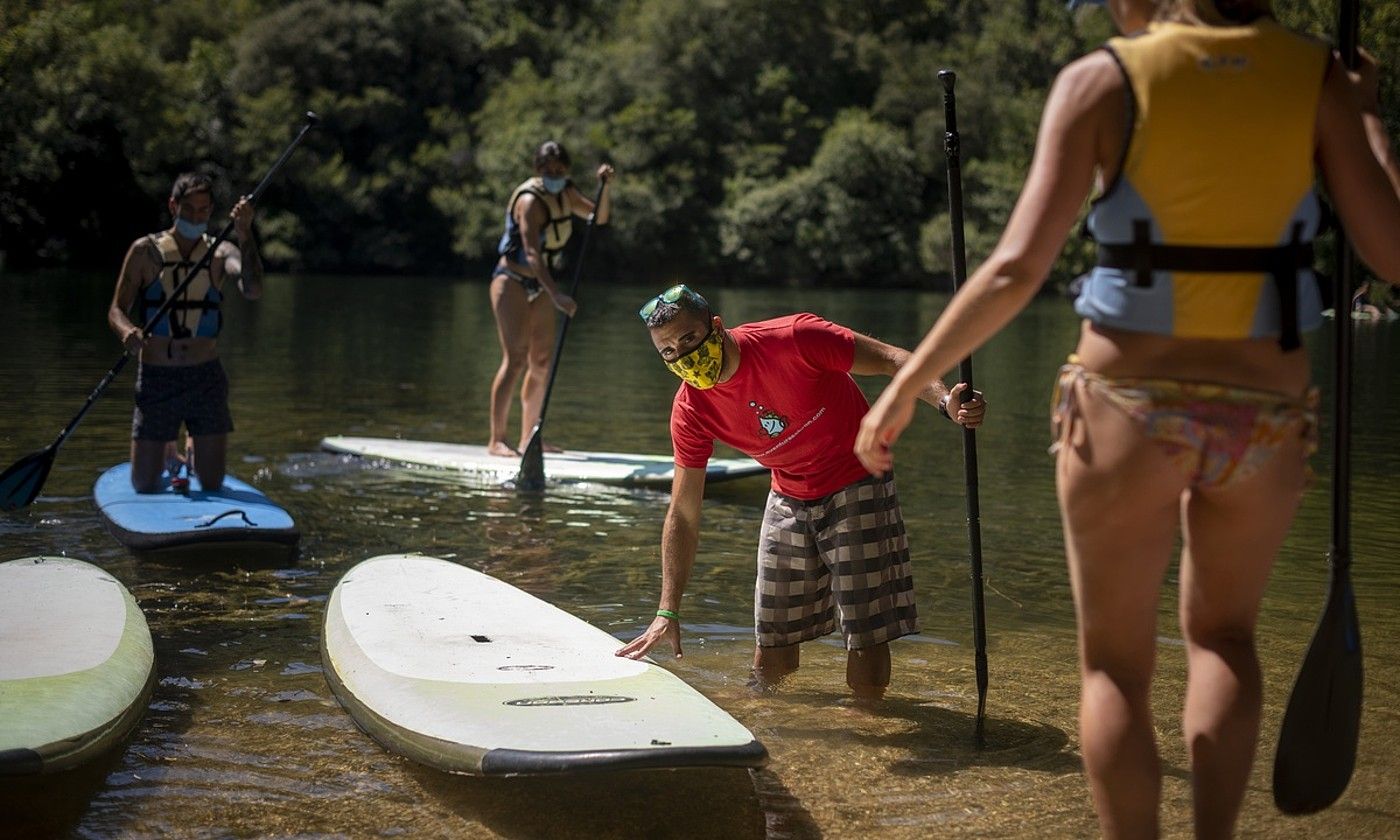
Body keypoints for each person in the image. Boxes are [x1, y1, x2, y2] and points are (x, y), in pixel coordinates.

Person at [853, 1, 1400, 836]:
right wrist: (1366, 118)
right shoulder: (1317, 73)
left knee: (1114, 667)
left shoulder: (1101, 79)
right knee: (1224, 639)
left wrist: (902, 388)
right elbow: (1392, 252)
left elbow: (1013, 271)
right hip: (1265, 412)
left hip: (1125, 407)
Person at [616, 285, 986, 700]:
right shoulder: (690, 409)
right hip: (787, 492)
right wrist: (668, 610)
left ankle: (867, 726)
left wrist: (945, 404)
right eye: (668, 351)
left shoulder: (794, 338)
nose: (683, 356)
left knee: (865, 632)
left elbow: (891, 359)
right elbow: (683, 512)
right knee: (772, 641)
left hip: (856, 478)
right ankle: (768, 719)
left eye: (689, 339)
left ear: (715, 327)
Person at [108, 172, 263, 493]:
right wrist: (127, 332)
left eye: (203, 210)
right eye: (189, 208)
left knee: (211, 482)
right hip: (157, 375)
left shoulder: (222, 252)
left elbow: (252, 290)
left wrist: (245, 234)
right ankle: (167, 447)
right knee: (144, 484)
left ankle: (191, 446)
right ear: (173, 205)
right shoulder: (144, 251)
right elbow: (116, 310)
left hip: (204, 376)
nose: (196, 216)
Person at [488, 141, 614, 457]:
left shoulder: (567, 193)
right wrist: (556, 293)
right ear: (538, 170)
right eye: (548, 170)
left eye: (560, 170)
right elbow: (531, 252)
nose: (554, 174)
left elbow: (598, 216)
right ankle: (497, 440)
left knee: (541, 362)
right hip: (511, 280)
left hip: (541, 284)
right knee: (515, 358)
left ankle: (530, 438)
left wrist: (604, 187)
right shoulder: (530, 201)